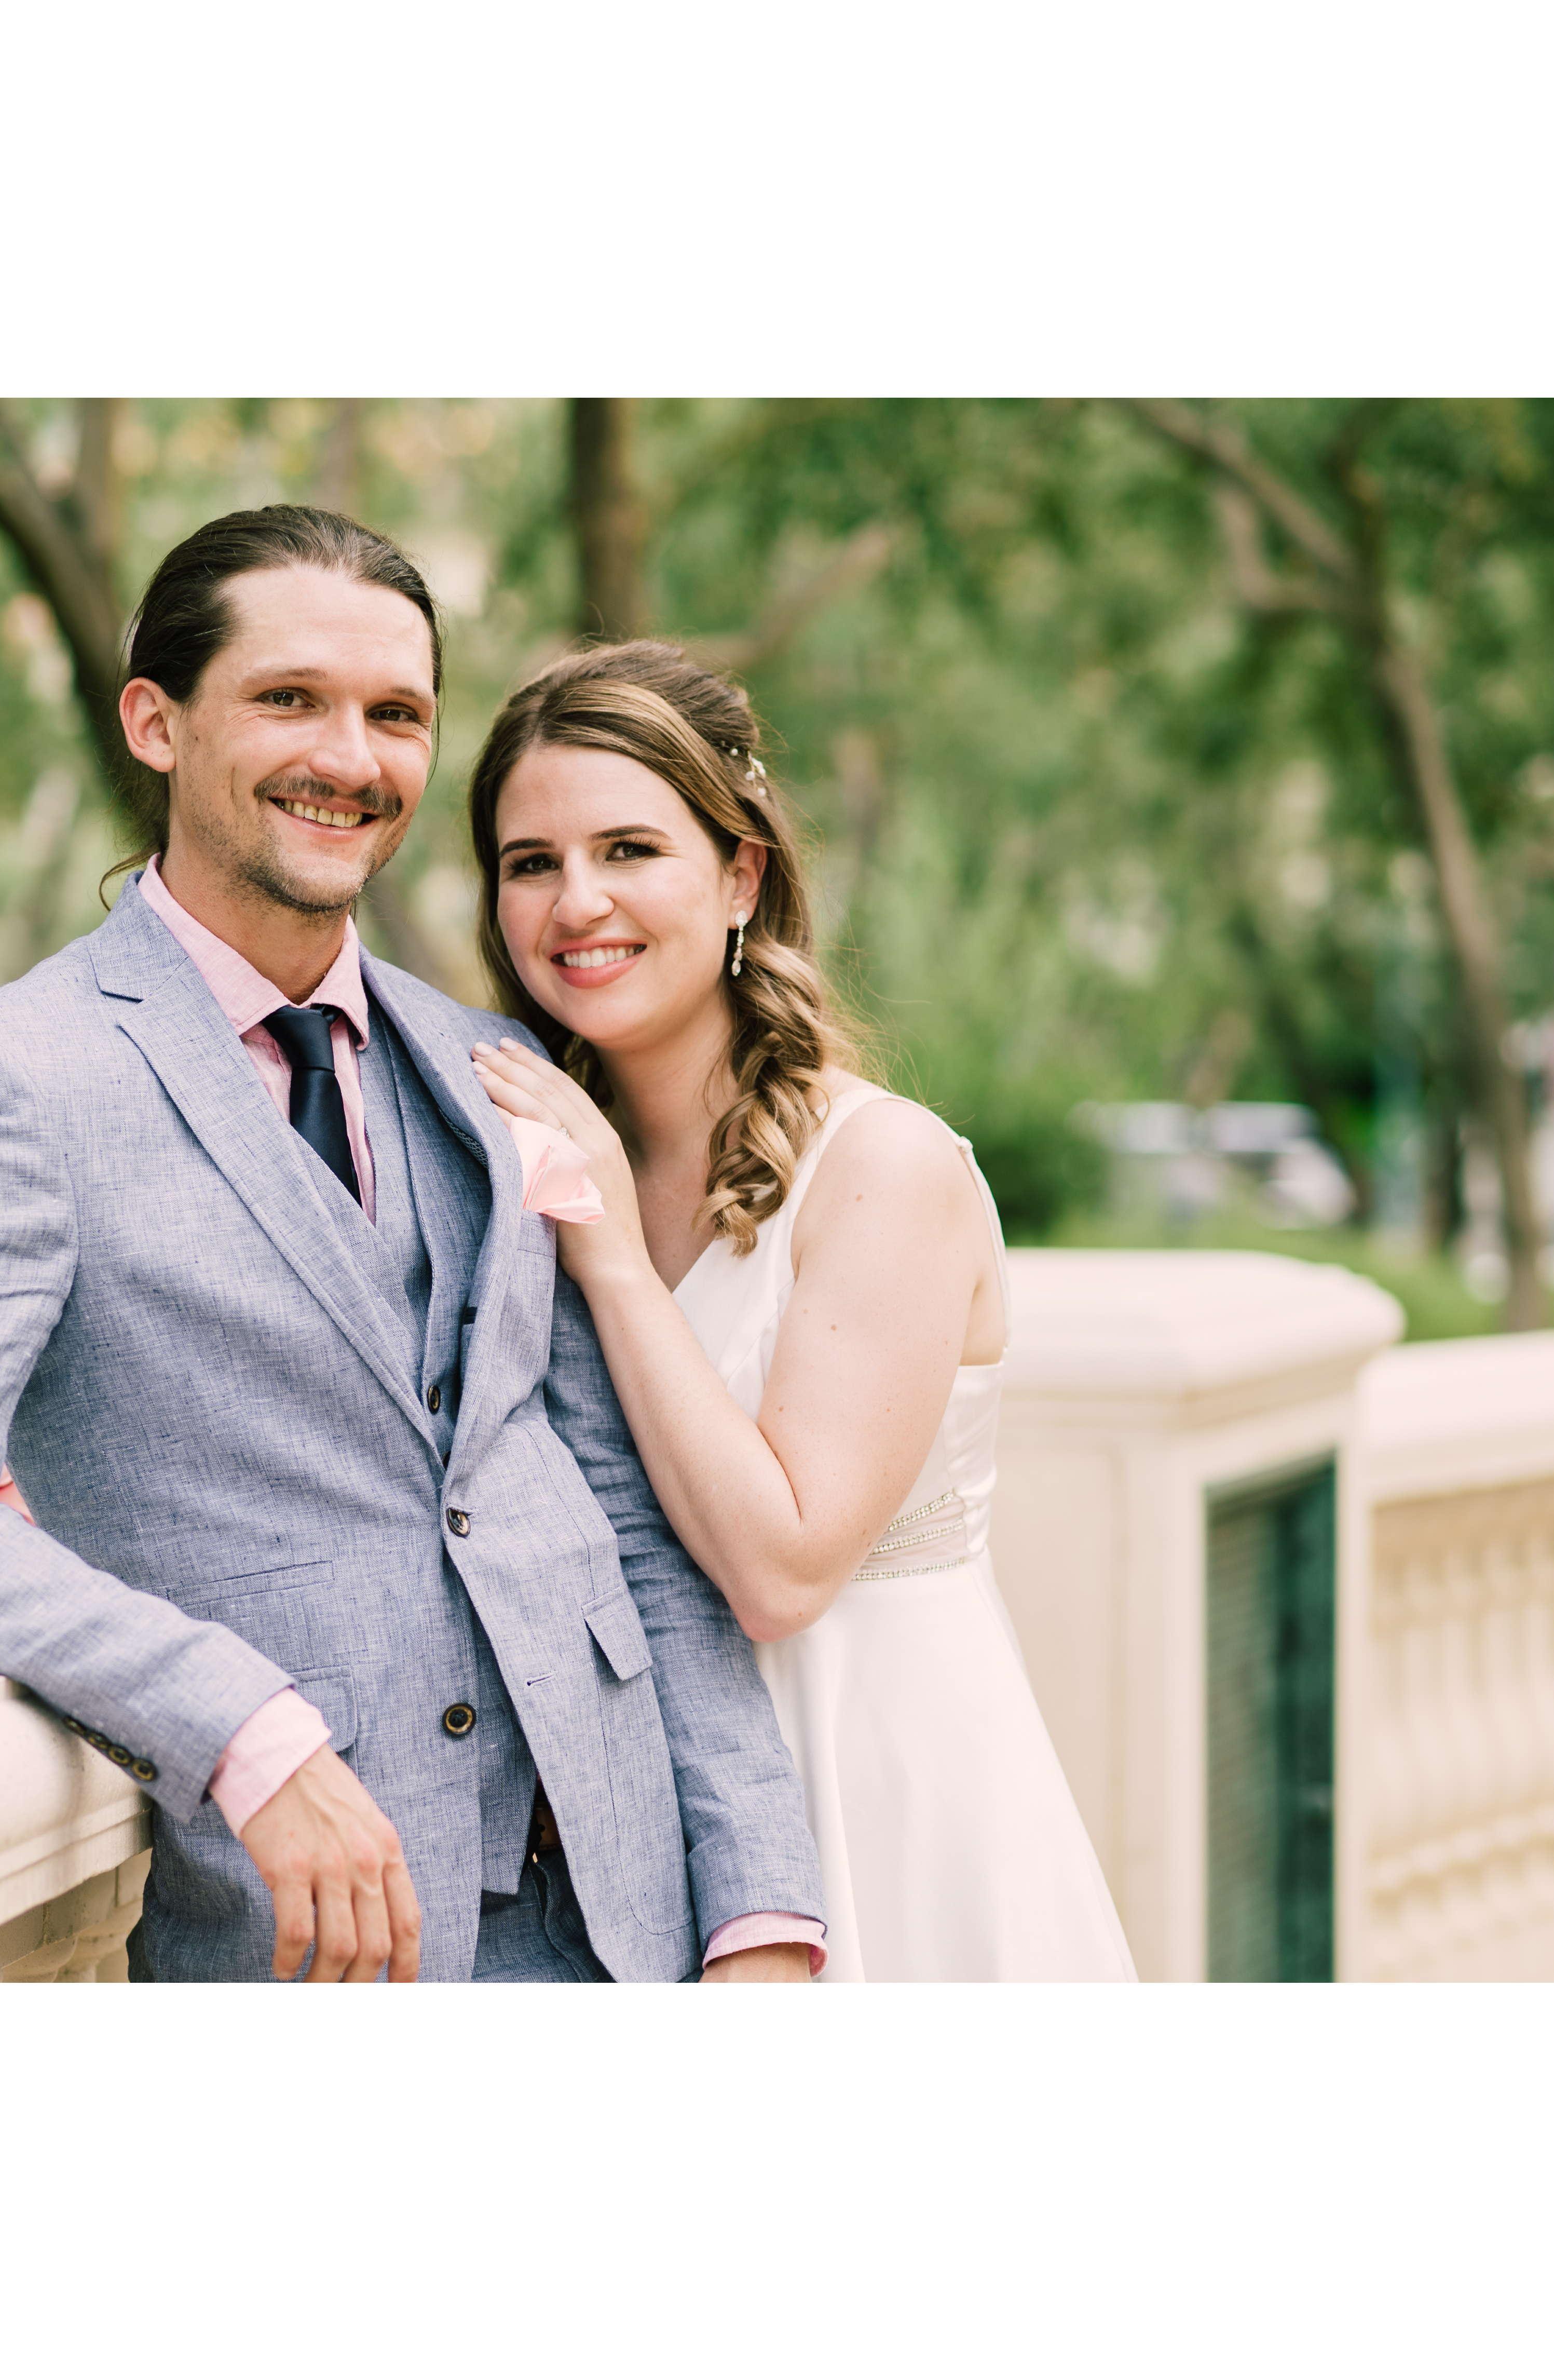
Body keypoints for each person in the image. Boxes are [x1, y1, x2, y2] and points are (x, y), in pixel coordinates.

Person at [0, 510, 825, 1983]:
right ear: (155, 723)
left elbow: (621, 1512)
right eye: (290, 699)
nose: (352, 758)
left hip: (627, 1922)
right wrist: (241, 1728)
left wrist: (760, 1911)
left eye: (397, 715)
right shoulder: (16, 1078)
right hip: (309, 1948)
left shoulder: (491, 1068)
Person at [464, 642, 1135, 1982]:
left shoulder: (883, 1169)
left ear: (741, 876)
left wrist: (610, 1255)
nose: (577, 902)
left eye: (630, 849)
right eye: (531, 862)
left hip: (879, 1782)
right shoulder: (510, 1154)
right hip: (642, 1826)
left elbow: (782, 1572)